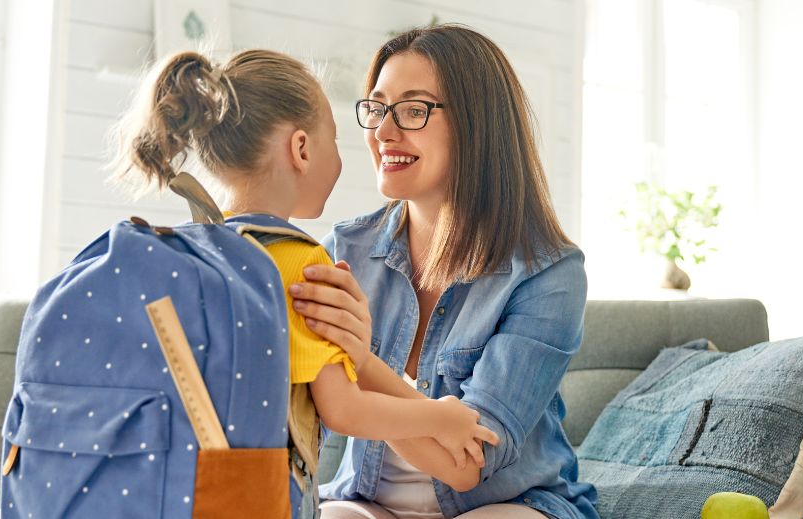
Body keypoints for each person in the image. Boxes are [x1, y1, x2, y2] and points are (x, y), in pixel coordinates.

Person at [110, 48, 498, 515]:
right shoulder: (299, 261)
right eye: (333, 140)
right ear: (301, 149)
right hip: (258, 498)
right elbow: (344, 409)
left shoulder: (194, 248)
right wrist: (440, 414)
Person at [287, 26, 601, 519]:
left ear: (479, 125)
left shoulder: (549, 274)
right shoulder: (344, 250)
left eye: (414, 110)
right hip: (365, 503)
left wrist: (362, 363)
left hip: (506, 505)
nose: (384, 133)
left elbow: (468, 464)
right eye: (377, 108)